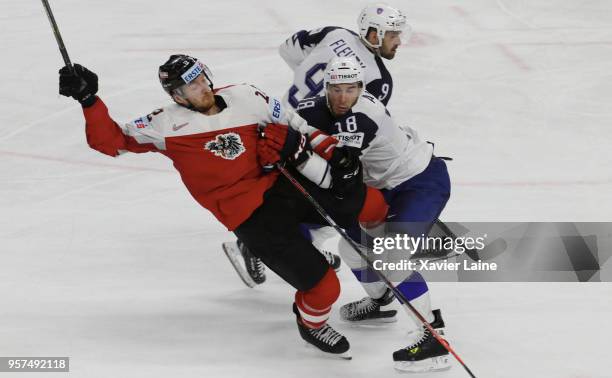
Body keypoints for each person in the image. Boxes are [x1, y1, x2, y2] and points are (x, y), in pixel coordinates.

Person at [57, 55, 387, 359]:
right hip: (249, 216)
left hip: (283, 184)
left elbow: (294, 124)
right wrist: (89, 101)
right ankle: (311, 325)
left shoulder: (247, 96)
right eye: (191, 85)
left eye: (202, 78)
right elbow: (110, 143)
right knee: (324, 287)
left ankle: (395, 268)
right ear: (177, 95)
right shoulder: (164, 125)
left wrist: (333, 152)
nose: (202, 87)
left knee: (372, 202)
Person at [226, 2, 410, 285]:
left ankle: (269, 241)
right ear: (374, 35)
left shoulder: (333, 33)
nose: (398, 41)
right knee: (339, 195)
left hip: (278, 123)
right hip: (312, 139)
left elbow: (287, 49)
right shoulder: (378, 78)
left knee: (283, 193)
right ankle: (255, 245)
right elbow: (357, 122)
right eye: (393, 34)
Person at [297, 56, 452, 373]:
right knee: (350, 249)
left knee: (391, 256)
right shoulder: (316, 106)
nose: (343, 98)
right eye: (336, 89)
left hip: (419, 182)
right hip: (382, 188)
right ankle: (381, 302)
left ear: (361, 88)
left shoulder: (366, 114)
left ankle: (433, 338)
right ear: (326, 87)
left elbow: (338, 164)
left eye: (350, 89)